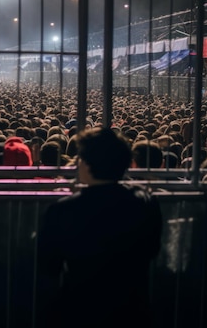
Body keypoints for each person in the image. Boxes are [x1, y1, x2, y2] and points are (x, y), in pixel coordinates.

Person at [37, 127, 162, 328]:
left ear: (85, 164)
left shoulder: (63, 210)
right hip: (132, 311)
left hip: (79, 310)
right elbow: (152, 249)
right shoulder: (145, 203)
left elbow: (48, 265)